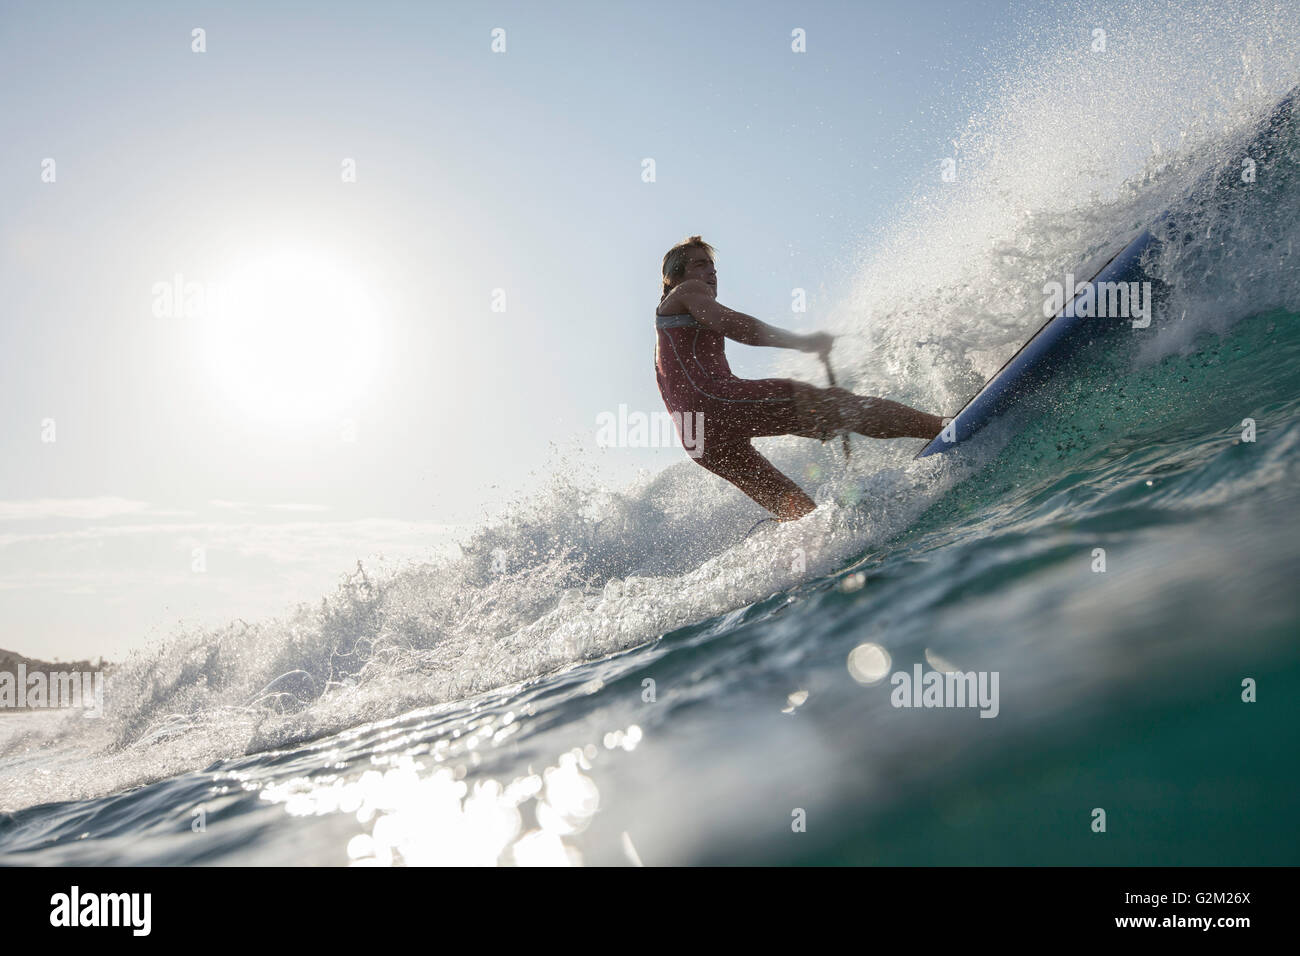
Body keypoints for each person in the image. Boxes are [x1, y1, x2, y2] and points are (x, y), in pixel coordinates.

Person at [654, 235, 947, 521]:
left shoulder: (665, 332)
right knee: (838, 407)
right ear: (673, 277)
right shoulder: (686, 291)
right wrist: (803, 342)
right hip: (716, 402)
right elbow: (736, 325)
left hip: (698, 440)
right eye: (700, 265)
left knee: (799, 512)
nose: (710, 273)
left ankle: (813, 553)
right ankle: (945, 428)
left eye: (713, 268)